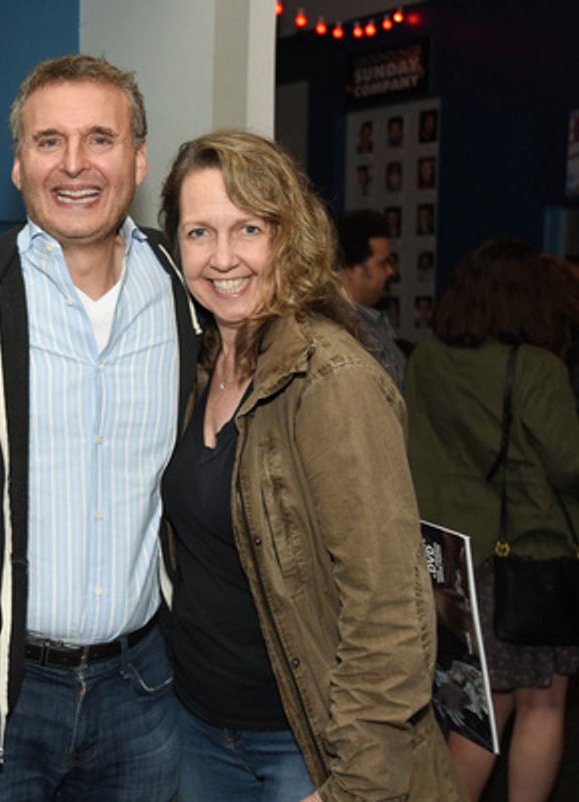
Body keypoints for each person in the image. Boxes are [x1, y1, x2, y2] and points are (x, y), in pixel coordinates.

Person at [157, 130, 464, 801]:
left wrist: (356, 782)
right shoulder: (203, 363)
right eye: (200, 232)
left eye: (248, 229)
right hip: (198, 728)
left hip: (306, 745)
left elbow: (391, 606)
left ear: (287, 235)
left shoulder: (331, 382)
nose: (224, 257)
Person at [0, 54, 201, 800]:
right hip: (2, 692)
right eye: (48, 141)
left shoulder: (190, 292)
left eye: (100, 139)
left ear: (140, 158)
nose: (74, 165)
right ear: (18, 165)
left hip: (145, 689)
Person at [404, 239, 579, 802]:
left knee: (476, 711)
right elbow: (568, 462)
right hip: (525, 563)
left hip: (450, 568)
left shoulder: (427, 359)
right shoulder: (536, 368)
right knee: (542, 702)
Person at [335, 209, 406, 385]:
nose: (391, 271)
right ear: (350, 270)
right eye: (383, 264)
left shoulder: (373, 320)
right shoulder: (348, 331)